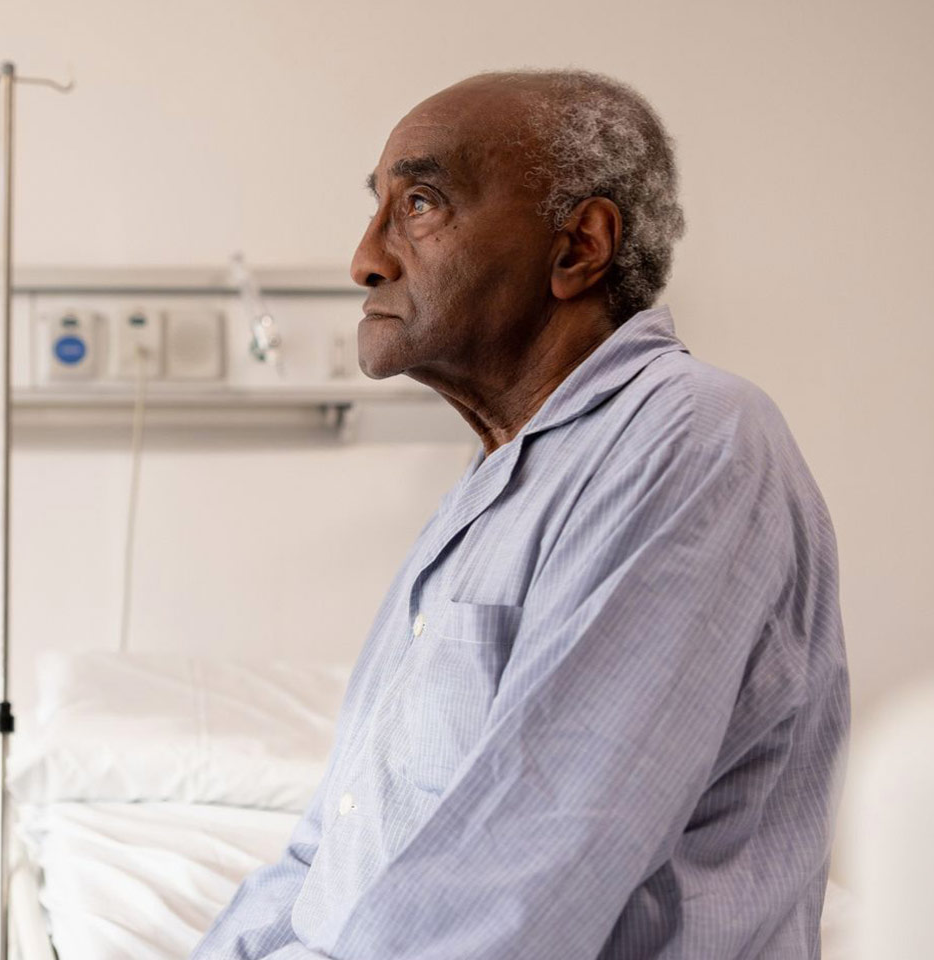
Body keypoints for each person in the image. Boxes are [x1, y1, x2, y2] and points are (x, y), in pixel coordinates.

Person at [191, 69, 848, 960]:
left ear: (579, 246)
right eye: (376, 206)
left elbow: (519, 889)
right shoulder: (496, 486)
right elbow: (328, 856)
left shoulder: (693, 439)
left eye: (419, 203)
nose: (366, 258)